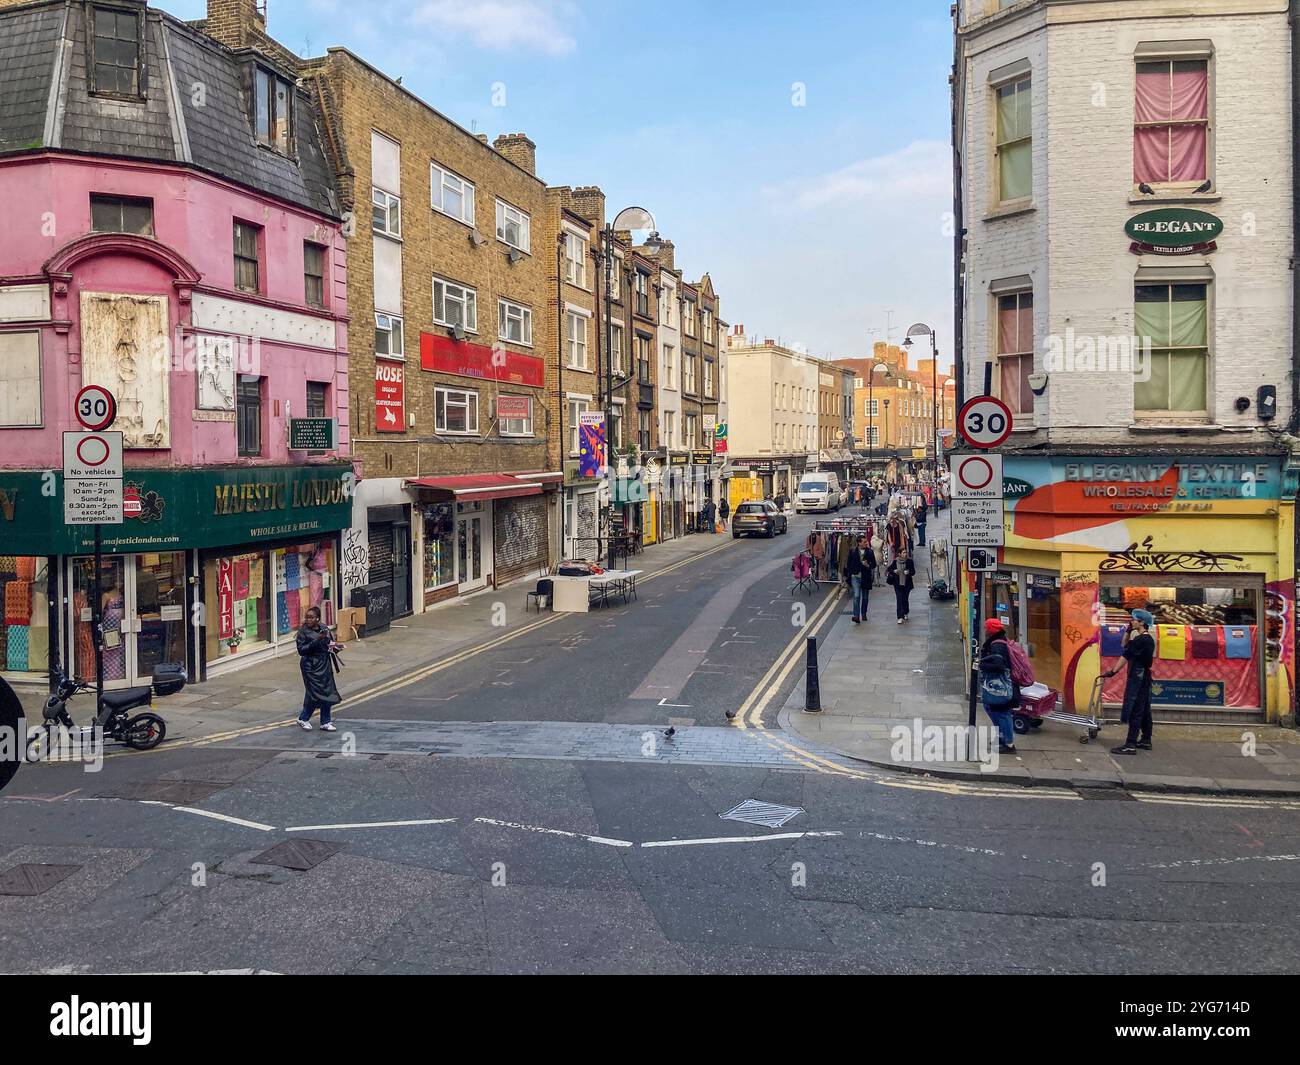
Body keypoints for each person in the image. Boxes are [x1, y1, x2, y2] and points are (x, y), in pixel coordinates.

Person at [1108, 608, 1156, 755]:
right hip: (1144, 677)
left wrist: (1113, 671)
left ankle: (1130, 744)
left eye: (1134, 620)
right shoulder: (1146, 639)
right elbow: (1124, 644)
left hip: (1138, 679)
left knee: (1136, 709)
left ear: (1141, 622)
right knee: (1144, 709)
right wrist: (1129, 631)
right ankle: (1146, 739)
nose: (1132, 622)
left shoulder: (1141, 640)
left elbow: (1125, 655)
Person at [296, 606, 341, 731]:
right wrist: (317, 640)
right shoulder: (302, 632)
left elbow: (329, 643)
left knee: (327, 691)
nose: (308, 620)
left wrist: (335, 647)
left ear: (318, 618)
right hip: (310, 665)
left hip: (324, 663)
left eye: (311, 617)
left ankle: (325, 722)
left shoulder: (324, 628)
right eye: (307, 617)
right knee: (313, 693)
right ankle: (303, 718)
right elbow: (301, 650)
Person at [979, 618, 1019, 754]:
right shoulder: (1000, 641)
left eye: (986, 628)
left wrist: (982, 664)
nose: (985, 630)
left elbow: (999, 666)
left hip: (1000, 686)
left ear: (991, 630)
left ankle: (1008, 743)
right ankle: (1003, 737)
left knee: (1001, 712)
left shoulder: (997, 645)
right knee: (993, 709)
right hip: (999, 685)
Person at [844, 533, 876, 623]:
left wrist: (868, 565)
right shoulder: (853, 551)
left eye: (866, 541)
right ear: (859, 543)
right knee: (856, 596)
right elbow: (849, 563)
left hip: (865, 577)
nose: (866, 543)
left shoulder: (870, 552)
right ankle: (856, 615)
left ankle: (864, 613)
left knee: (865, 597)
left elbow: (873, 564)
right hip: (855, 577)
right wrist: (850, 574)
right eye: (864, 542)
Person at [885, 544, 915, 624]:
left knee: (905, 599)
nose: (905, 554)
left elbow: (913, 572)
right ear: (899, 554)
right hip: (897, 583)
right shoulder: (895, 561)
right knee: (899, 598)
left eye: (906, 552)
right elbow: (889, 569)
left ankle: (905, 612)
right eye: (904, 553)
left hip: (907, 583)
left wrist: (908, 572)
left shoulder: (909, 561)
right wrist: (894, 571)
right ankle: (900, 616)